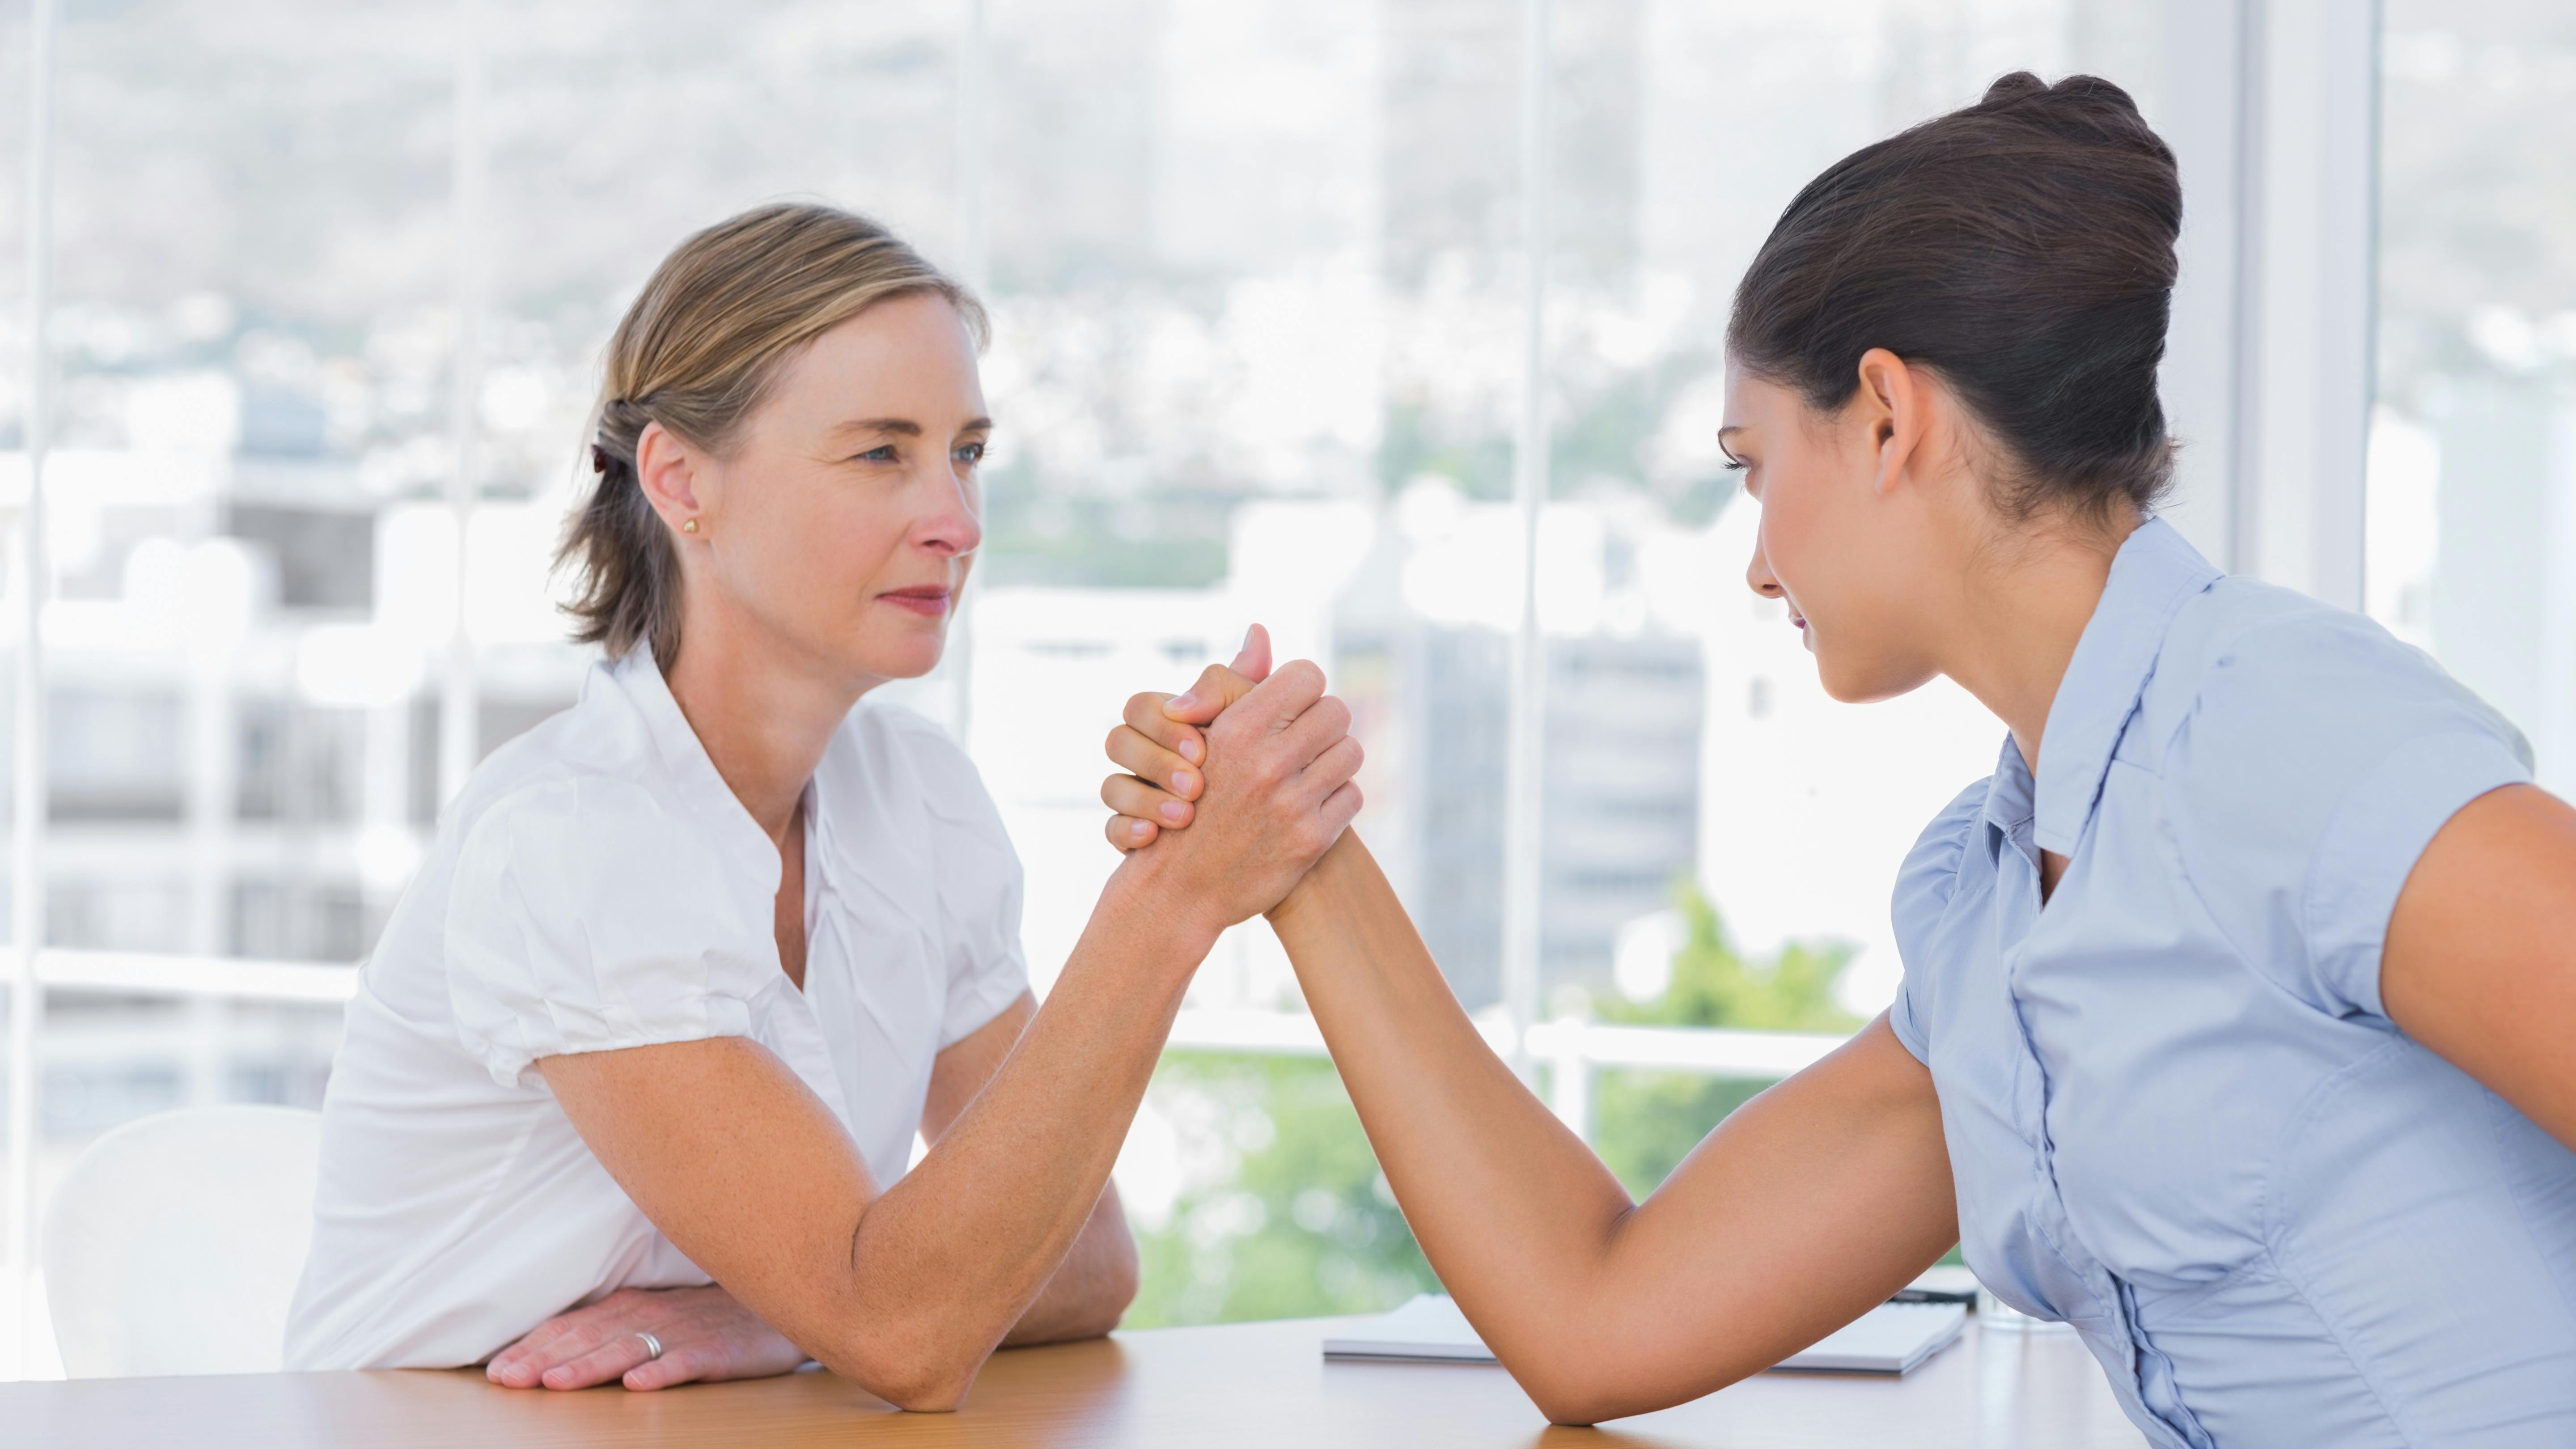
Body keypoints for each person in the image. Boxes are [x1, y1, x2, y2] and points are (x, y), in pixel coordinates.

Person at [1102, 75, 2576, 1447]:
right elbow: (1600, 1315)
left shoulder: (2291, 741)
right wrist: (1297, 850)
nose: (1756, 563)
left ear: (1885, 416)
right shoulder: (1995, 912)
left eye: (1754, 467)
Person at [284, 203, 1364, 1410]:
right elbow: (907, 1332)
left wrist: (777, 1317)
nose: (956, 522)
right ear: (683, 481)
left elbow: (1085, 1266)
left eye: (966, 453)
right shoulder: (577, 843)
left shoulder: (921, 801)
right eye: (879, 454)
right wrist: (1177, 896)